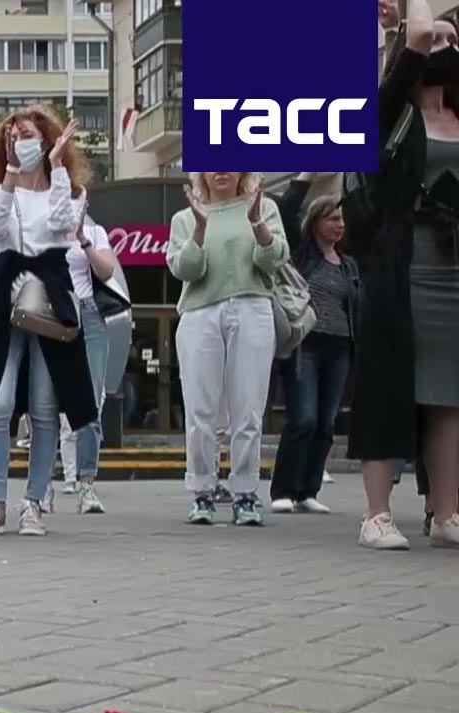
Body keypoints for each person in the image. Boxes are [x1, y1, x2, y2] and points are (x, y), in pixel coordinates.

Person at [350, 0, 459, 550]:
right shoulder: (391, 109)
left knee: (449, 395)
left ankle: (447, 513)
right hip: (401, 262)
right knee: (389, 385)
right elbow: (418, 30)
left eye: (449, 41)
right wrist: (423, 22)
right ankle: (376, 514)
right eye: (436, 41)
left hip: (452, 266)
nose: (442, 43)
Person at [0, 108, 97, 538]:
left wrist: (57, 168)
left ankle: (33, 504)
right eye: (13, 134)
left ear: (46, 139)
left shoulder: (70, 190)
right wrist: (8, 175)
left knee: (45, 408)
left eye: (28, 133)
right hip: (5, 295)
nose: (21, 140)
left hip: (52, 295)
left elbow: (63, 226)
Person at [167, 171, 288, 527]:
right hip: (200, 311)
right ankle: (203, 491)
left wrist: (256, 224)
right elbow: (186, 270)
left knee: (248, 410)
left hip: (253, 306)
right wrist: (200, 230)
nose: (221, 171)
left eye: (230, 162)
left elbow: (273, 260)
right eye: (213, 163)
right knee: (200, 411)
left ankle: (246, 494)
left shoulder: (263, 207)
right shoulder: (185, 217)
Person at [271, 179, 358, 518]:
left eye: (341, 219)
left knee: (326, 421)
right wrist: (303, 179)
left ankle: (308, 491)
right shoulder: (302, 256)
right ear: (316, 222)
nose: (338, 225)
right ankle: (284, 490)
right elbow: (287, 210)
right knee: (303, 418)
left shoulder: (348, 264)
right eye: (332, 218)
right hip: (305, 346)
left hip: (340, 349)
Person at [62, 208, 120, 515]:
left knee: (91, 403)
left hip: (90, 313)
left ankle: (86, 484)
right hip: (54, 308)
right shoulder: (42, 226)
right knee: (45, 404)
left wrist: (83, 239)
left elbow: (107, 271)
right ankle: (41, 490)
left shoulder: (95, 233)